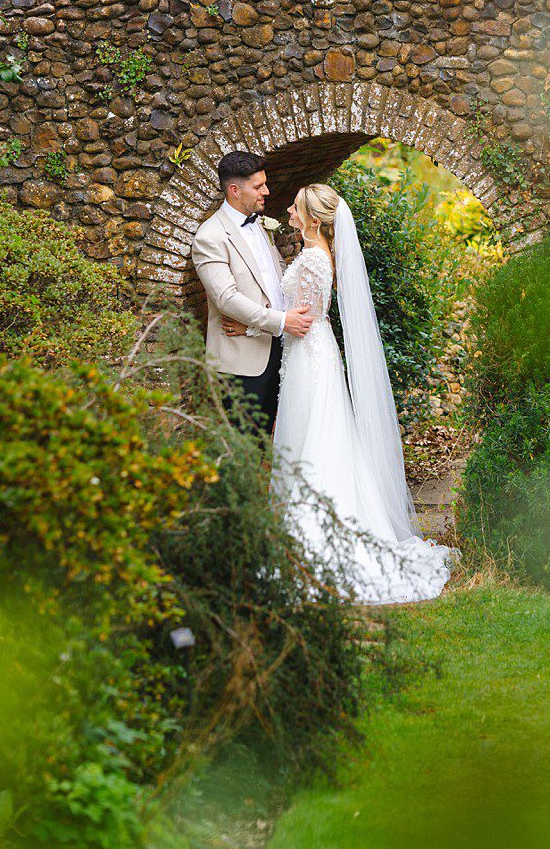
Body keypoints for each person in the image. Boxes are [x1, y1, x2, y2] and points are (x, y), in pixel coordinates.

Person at [267, 183, 457, 605]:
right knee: (316, 434)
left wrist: (262, 320)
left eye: (295, 208)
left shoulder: (314, 258)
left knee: (313, 436)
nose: (289, 212)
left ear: (313, 219)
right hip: (310, 352)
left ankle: (312, 538)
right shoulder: (317, 253)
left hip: (309, 354)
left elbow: (302, 316)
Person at [190, 151, 313, 434]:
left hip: (275, 348)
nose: (266, 191)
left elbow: (277, 278)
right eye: (258, 186)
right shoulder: (210, 237)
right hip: (241, 362)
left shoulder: (259, 223)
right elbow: (226, 298)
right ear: (235, 190)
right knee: (242, 443)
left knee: (270, 437)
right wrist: (281, 321)